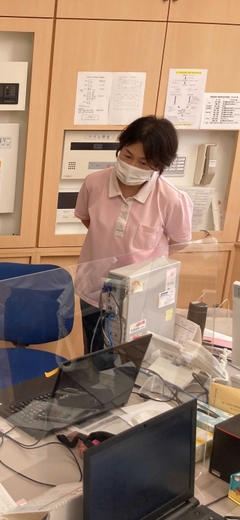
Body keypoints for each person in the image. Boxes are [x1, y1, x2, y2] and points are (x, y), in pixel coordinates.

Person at [74, 116, 193, 353]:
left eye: (144, 162)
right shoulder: (94, 183)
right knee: (95, 358)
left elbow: (179, 242)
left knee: (134, 362)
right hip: (94, 289)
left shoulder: (171, 198)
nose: (132, 166)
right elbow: (88, 219)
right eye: (127, 156)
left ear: (159, 164)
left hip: (142, 296)